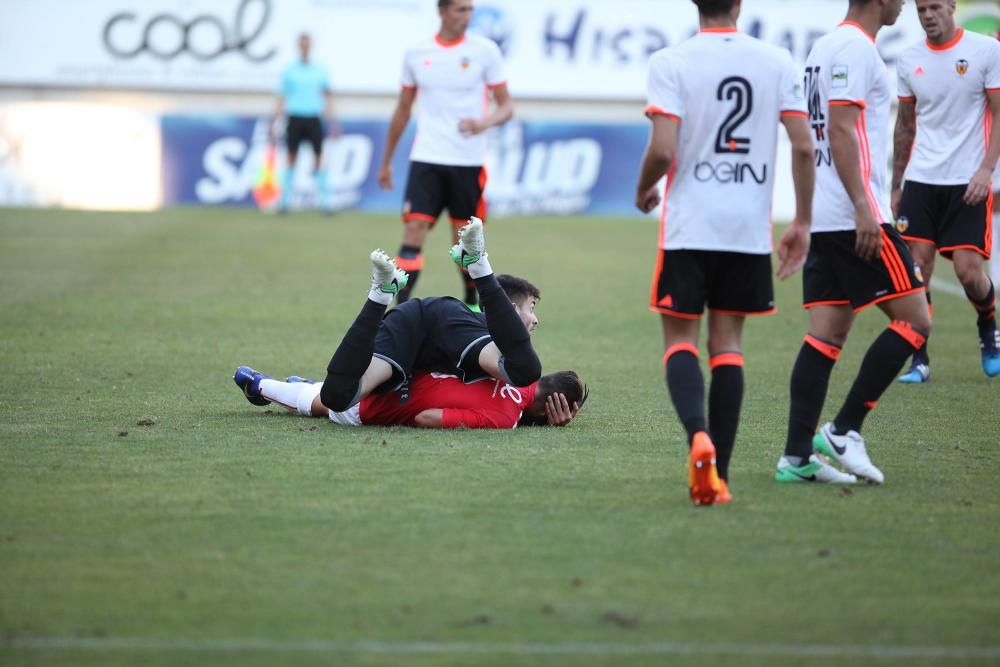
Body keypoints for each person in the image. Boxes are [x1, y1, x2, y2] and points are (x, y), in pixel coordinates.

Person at [634, 0, 817, 505]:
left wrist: (643, 187)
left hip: (690, 227)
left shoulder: (671, 62)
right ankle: (722, 479)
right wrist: (801, 220)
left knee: (680, 342)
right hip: (746, 230)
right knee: (729, 345)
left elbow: (664, 149)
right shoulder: (777, 60)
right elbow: (803, 146)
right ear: (740, 5)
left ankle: (698, 436)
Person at [777, 0, 931, 486]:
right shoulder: (855, 49)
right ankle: (844, 430)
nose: (904, 3)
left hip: (827, 216)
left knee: (826, 335)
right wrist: (866, 209)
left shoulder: (825, 46)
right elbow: (840, 133)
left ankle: (797, 457)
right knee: (916, 321)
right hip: (853, 216)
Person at [236, 218, 565, 424]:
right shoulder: (483, 331)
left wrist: (539, 415)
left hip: (414, 335)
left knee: (338, 396)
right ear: (508, 307)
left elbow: (508, 404)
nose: (535, 319)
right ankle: (478, 264)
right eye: (531, 307)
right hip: (440, 323)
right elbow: (516, 392)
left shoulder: (511, 387)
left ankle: (382, 293)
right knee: (524, 370)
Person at [377, 0, 514, 309]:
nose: (467, 16)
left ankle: (472, 302)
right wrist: (386, 160)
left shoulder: (485, 51)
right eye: (460, 10)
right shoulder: (417, 53)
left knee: (463, 243)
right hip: (427, 157)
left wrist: (483, 122)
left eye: (470, 10)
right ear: (442, 11)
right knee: (414, 229)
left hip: (468, 161)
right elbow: (403, 108)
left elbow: (506, 106)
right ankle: (401, 309)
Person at [890, 0, 1000, 382]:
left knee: (970, 274)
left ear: (953, 6)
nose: (928, 16)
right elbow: (904, 125)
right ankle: (919, 359)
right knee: (916, 269)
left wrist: (987, 169)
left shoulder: (986, 51)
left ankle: (988, 325)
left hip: (968, 180)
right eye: (921, 10)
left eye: (935, 7)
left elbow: (999, 112)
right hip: (921, 179)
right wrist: (896, 185)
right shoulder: (908, 59)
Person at [233, 369, 585, 429]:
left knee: (338, 386)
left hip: (395, 361)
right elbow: (426, 418)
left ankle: (307, 383)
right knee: (321, 403)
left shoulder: (510, 358)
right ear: (552, 408)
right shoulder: (506, 418)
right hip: (385, 402)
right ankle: (259, 384)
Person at [273, 32, 335, 212]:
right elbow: (282, 96)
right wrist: (275, 119)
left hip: (314, 117)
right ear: (298, 46)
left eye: (307, 44)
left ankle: (325, 203)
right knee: (291, 158)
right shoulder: (290, 70)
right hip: (294, 117)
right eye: (302, 44)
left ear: (311, 46)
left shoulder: (320, 70)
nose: (304, 47)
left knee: (319, 159)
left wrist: (333, 120)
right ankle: (284, 202)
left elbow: (328, 95)